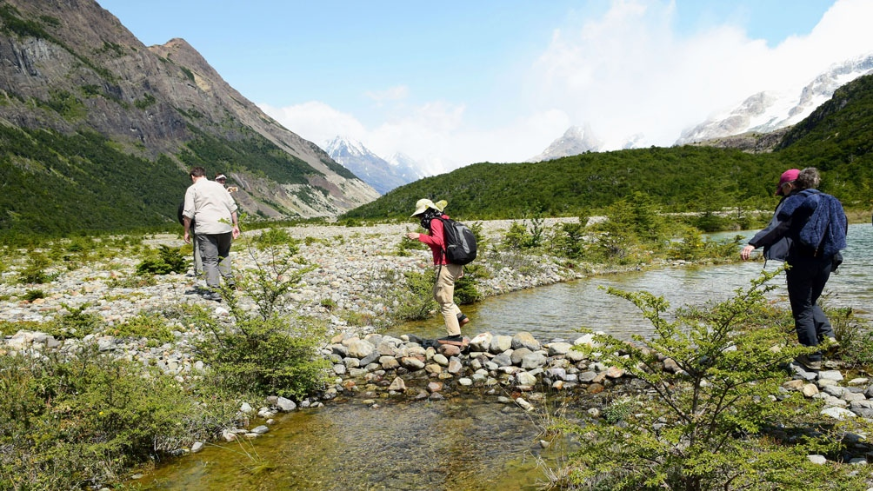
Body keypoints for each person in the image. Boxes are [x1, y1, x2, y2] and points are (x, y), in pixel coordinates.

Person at [741, 167, 847, 370]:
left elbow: (780, 228)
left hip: (802, 261)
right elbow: (841, 229)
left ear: (790, 185)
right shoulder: (830, 200)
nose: (783, 195)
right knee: (810, 301)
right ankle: (829, 338)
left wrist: (754, 243)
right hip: (826, 260)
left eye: (783, 190)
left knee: (802, 309)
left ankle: (811, 357)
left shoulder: (796, 200)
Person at [405, 198, 470, 345]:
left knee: (445, 302)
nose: (420, 219)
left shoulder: (435, 221)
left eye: (421, 216)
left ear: (427, 212)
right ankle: (459, 317)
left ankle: (454, 336)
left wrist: (419, 236)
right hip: (453, 263)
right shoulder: (444, 219)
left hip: (445, 264)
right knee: (438, 294)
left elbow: (439, 241)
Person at [182, 167, 241, 301]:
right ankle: (230, 280)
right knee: (224, 253)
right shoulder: (218, 186)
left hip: (206, 227)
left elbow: (188, 213)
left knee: (210, 260)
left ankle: (215, 292)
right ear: (204, 175)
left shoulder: (192, 189)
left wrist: (186, 231)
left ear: (193, 177)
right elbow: (233, 207)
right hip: (224, 225)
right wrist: (235, 225)